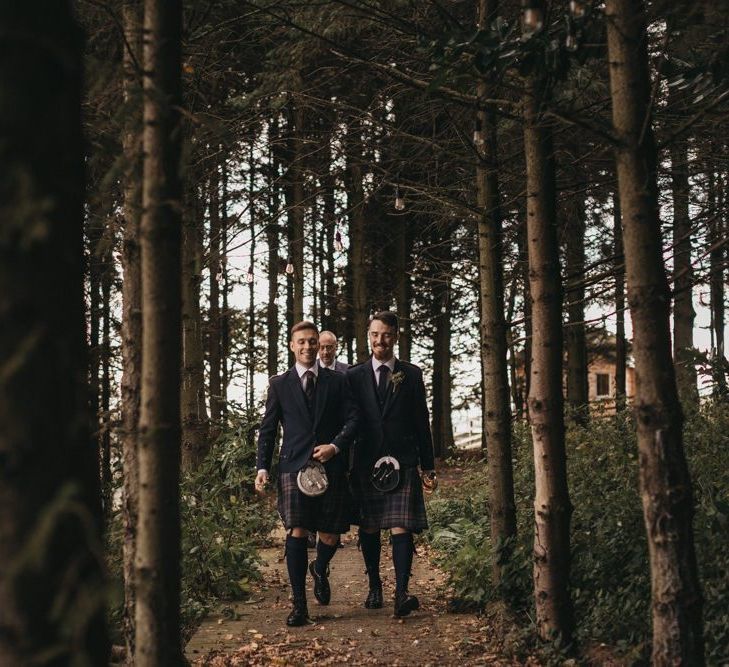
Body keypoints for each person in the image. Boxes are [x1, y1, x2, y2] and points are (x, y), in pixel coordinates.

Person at [256, 321, 358, 626]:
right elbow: (268, 429)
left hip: (331, 467)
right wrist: (262, 467)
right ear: (291, 345)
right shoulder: (279, 384)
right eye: (301, 342)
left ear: (319, 345)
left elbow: (353, 421)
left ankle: (320, 567)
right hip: (293, 467)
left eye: (312, 341)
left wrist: (335, 447)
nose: (307, 347)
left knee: (330, 533)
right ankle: (299, 605)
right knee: (297, 531)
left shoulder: (337, 381)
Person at [347, 311, 436, 617]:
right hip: (366, 462)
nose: (379, 341)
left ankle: (401, 592)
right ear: (367, 336)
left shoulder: (411, 374)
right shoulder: (353, 376)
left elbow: (422, 422)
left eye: (386, 335)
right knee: (370, 528)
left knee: (402, 527)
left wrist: (429, 464)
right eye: (374, 334)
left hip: (403, 460)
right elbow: (349, 422)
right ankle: (374, 585)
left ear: (396, 337)